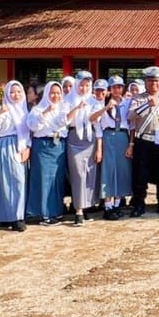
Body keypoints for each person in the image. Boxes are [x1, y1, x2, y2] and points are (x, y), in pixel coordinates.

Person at [128, 66, 159, 216]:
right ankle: (139, 204)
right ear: (145, 82)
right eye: (150, 81)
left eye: (156, 81)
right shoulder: (138, 98)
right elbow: (131, 116)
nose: (153, 84)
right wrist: (147, 104)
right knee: (140, 175)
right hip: (143, 141)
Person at [0, 80, 31, 231]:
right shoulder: (2, 109)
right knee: (5, 182)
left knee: (19, 181)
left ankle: (18, 215)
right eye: (12, 92)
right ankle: (7, 216)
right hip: (4, 145)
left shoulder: (25, 110)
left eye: (19, 92)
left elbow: (28, 131)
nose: (16, 95)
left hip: (21, 146)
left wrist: (28, 146)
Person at [27, 80, 69, 224]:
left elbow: (65, 126)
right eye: (52, 93)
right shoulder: (38, 109)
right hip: (43, 145)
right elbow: (33, 126)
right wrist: (45, 112)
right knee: (44, 179)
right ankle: (44, 214)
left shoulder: (63, 108)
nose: (55, 96)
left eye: (58, 93)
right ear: (46, 94)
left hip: (58, 146)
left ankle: (56, 211)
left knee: (57, 179)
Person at [62, 72, 100, 224]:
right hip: (74, 138)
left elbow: (97, 123)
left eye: (87, 85)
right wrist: (77, 108)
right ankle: (78, 209)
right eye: (81, 85)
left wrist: (98, 147)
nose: (84, 88)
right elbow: (65, 120)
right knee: (77, 174)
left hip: (90, 138)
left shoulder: (93, 100)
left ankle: (86, 207)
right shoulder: (68, 99)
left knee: (89, 173)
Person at [93, 76, 133, 219]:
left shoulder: (127, 103)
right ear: (109, 89)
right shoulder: (102, 103)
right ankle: (107, 206)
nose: (117, 90)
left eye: (120, 87)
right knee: (108, 170)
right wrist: (106, 107)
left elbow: (131, 124)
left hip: (122, 136)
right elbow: (95, 123)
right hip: (108, 136)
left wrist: (131, 143)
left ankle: (117, 204)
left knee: (122, 170)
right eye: (114, 87)